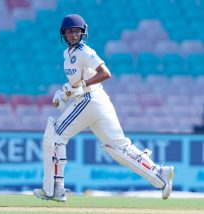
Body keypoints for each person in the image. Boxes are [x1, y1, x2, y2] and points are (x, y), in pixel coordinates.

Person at [33, 14, 174, 202]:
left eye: (77, 31)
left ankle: (55, 189)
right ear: (63, 34)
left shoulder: (84, 51)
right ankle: (160, 175)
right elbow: (77, 84)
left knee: (56, 136)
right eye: (69, 31)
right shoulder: (68, 54)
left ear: (83, 33)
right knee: (119, 148)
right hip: (95, 101)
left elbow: (105, 73)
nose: (73, 35)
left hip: (89, 99)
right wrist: (64, 93)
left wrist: (82, 85)